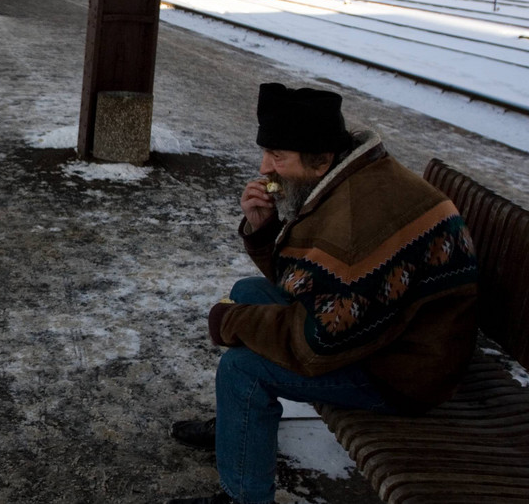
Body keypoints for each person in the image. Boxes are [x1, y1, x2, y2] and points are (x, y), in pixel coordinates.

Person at [166, 83, 479, 504]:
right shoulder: (355, 176)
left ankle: (244, 497)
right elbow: (314, 283)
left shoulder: (355, 220)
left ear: (321, 158)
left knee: (243, 368)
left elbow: (323, 338)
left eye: (278, 156)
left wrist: (230, 322)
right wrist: (265, 230)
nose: (265, 168)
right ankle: (237, 430)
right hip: (393, 338)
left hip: (402, 373)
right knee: (248, 291)